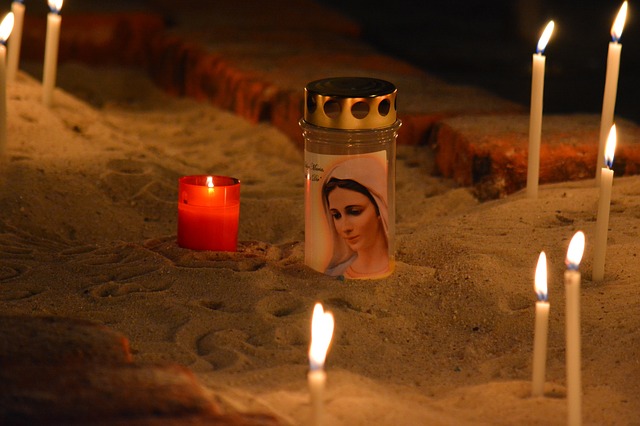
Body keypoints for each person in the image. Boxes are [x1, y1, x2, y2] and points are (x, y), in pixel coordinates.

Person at [321, 156, 390, 279]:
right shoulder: (335, 273)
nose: (345, 228)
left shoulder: (397, 268)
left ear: (379, 208)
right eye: (336, 215)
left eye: (354, 212)